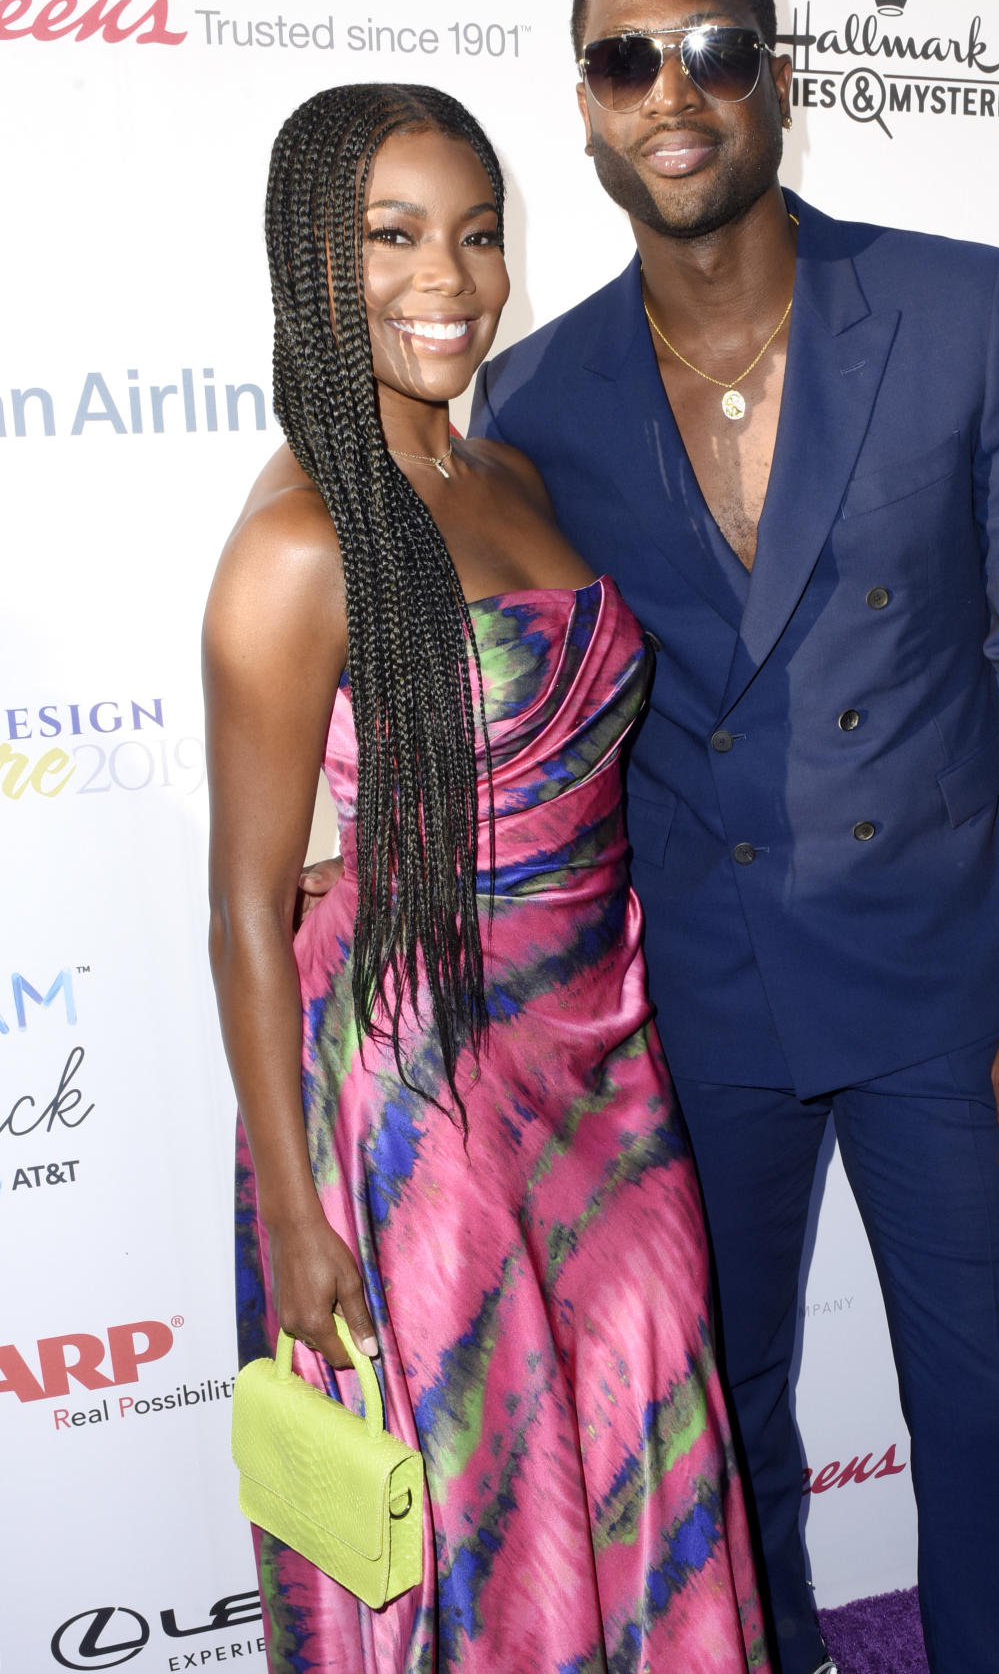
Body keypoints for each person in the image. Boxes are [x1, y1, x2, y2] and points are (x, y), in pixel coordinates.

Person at [469, 0, 999, 1674]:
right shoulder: (531, 400)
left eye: (711, 50)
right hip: (689, 1008)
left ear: (777, 74)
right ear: (586, 103)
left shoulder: (960, 309)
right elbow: (505, 713)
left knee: (983, 1423)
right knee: (729, 1420)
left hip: (950, 996)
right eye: (626, 59)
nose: (670, 92)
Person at [204, 82, 770, 1674]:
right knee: (483, 1504)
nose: (447, 277)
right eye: (391, 237)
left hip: (603, 1050)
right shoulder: (299, 542)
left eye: (475, 232)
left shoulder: (507, 476)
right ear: (313, 264)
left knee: (643, 1418)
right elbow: (246, 903)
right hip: (419, 1093)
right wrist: (300, 1215)